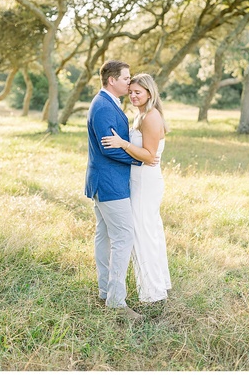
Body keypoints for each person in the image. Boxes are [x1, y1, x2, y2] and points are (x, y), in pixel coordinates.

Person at [101, 73, 171, 303]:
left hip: (145, 181)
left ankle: (152, 291)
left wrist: (123, 143)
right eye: (130, 92)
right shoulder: (141, 115)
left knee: (143, 232)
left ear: (150, 93)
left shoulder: (151, 117)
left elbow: (149, 156)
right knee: (147, 229)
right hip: (139, 179)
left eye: (138, 92)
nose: (132, 96)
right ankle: (156, 283)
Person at [85, 60, 143, 321]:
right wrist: (139, 157)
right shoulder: (103, 107)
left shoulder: (107, 102)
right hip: (110, 184)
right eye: (126, 78)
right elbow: (110, 147)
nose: (129, 83)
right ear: (112, 80)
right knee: (123, 236)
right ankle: (116, 302)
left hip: (105, 181)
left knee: (106, 236)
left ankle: (104, 291)